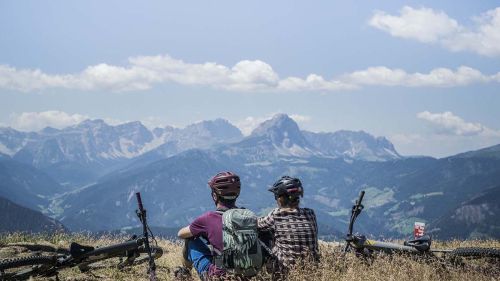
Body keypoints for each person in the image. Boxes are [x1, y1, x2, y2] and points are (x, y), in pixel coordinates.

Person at [176, 171, 241, 280]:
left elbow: (181, 234)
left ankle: (185, 274)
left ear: (215, 196)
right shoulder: (248, 215)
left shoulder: (209, 218)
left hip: (218, 277)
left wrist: (202, 231)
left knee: (190, 240)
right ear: (237, 195)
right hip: (245, 275)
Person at [257, 176, 319, 275]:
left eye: (276, 196)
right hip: (312, 269)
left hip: (285, 271)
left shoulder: (277, 214)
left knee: (262, 233)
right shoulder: (310, 213)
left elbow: (257, 224)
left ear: (281, 198)